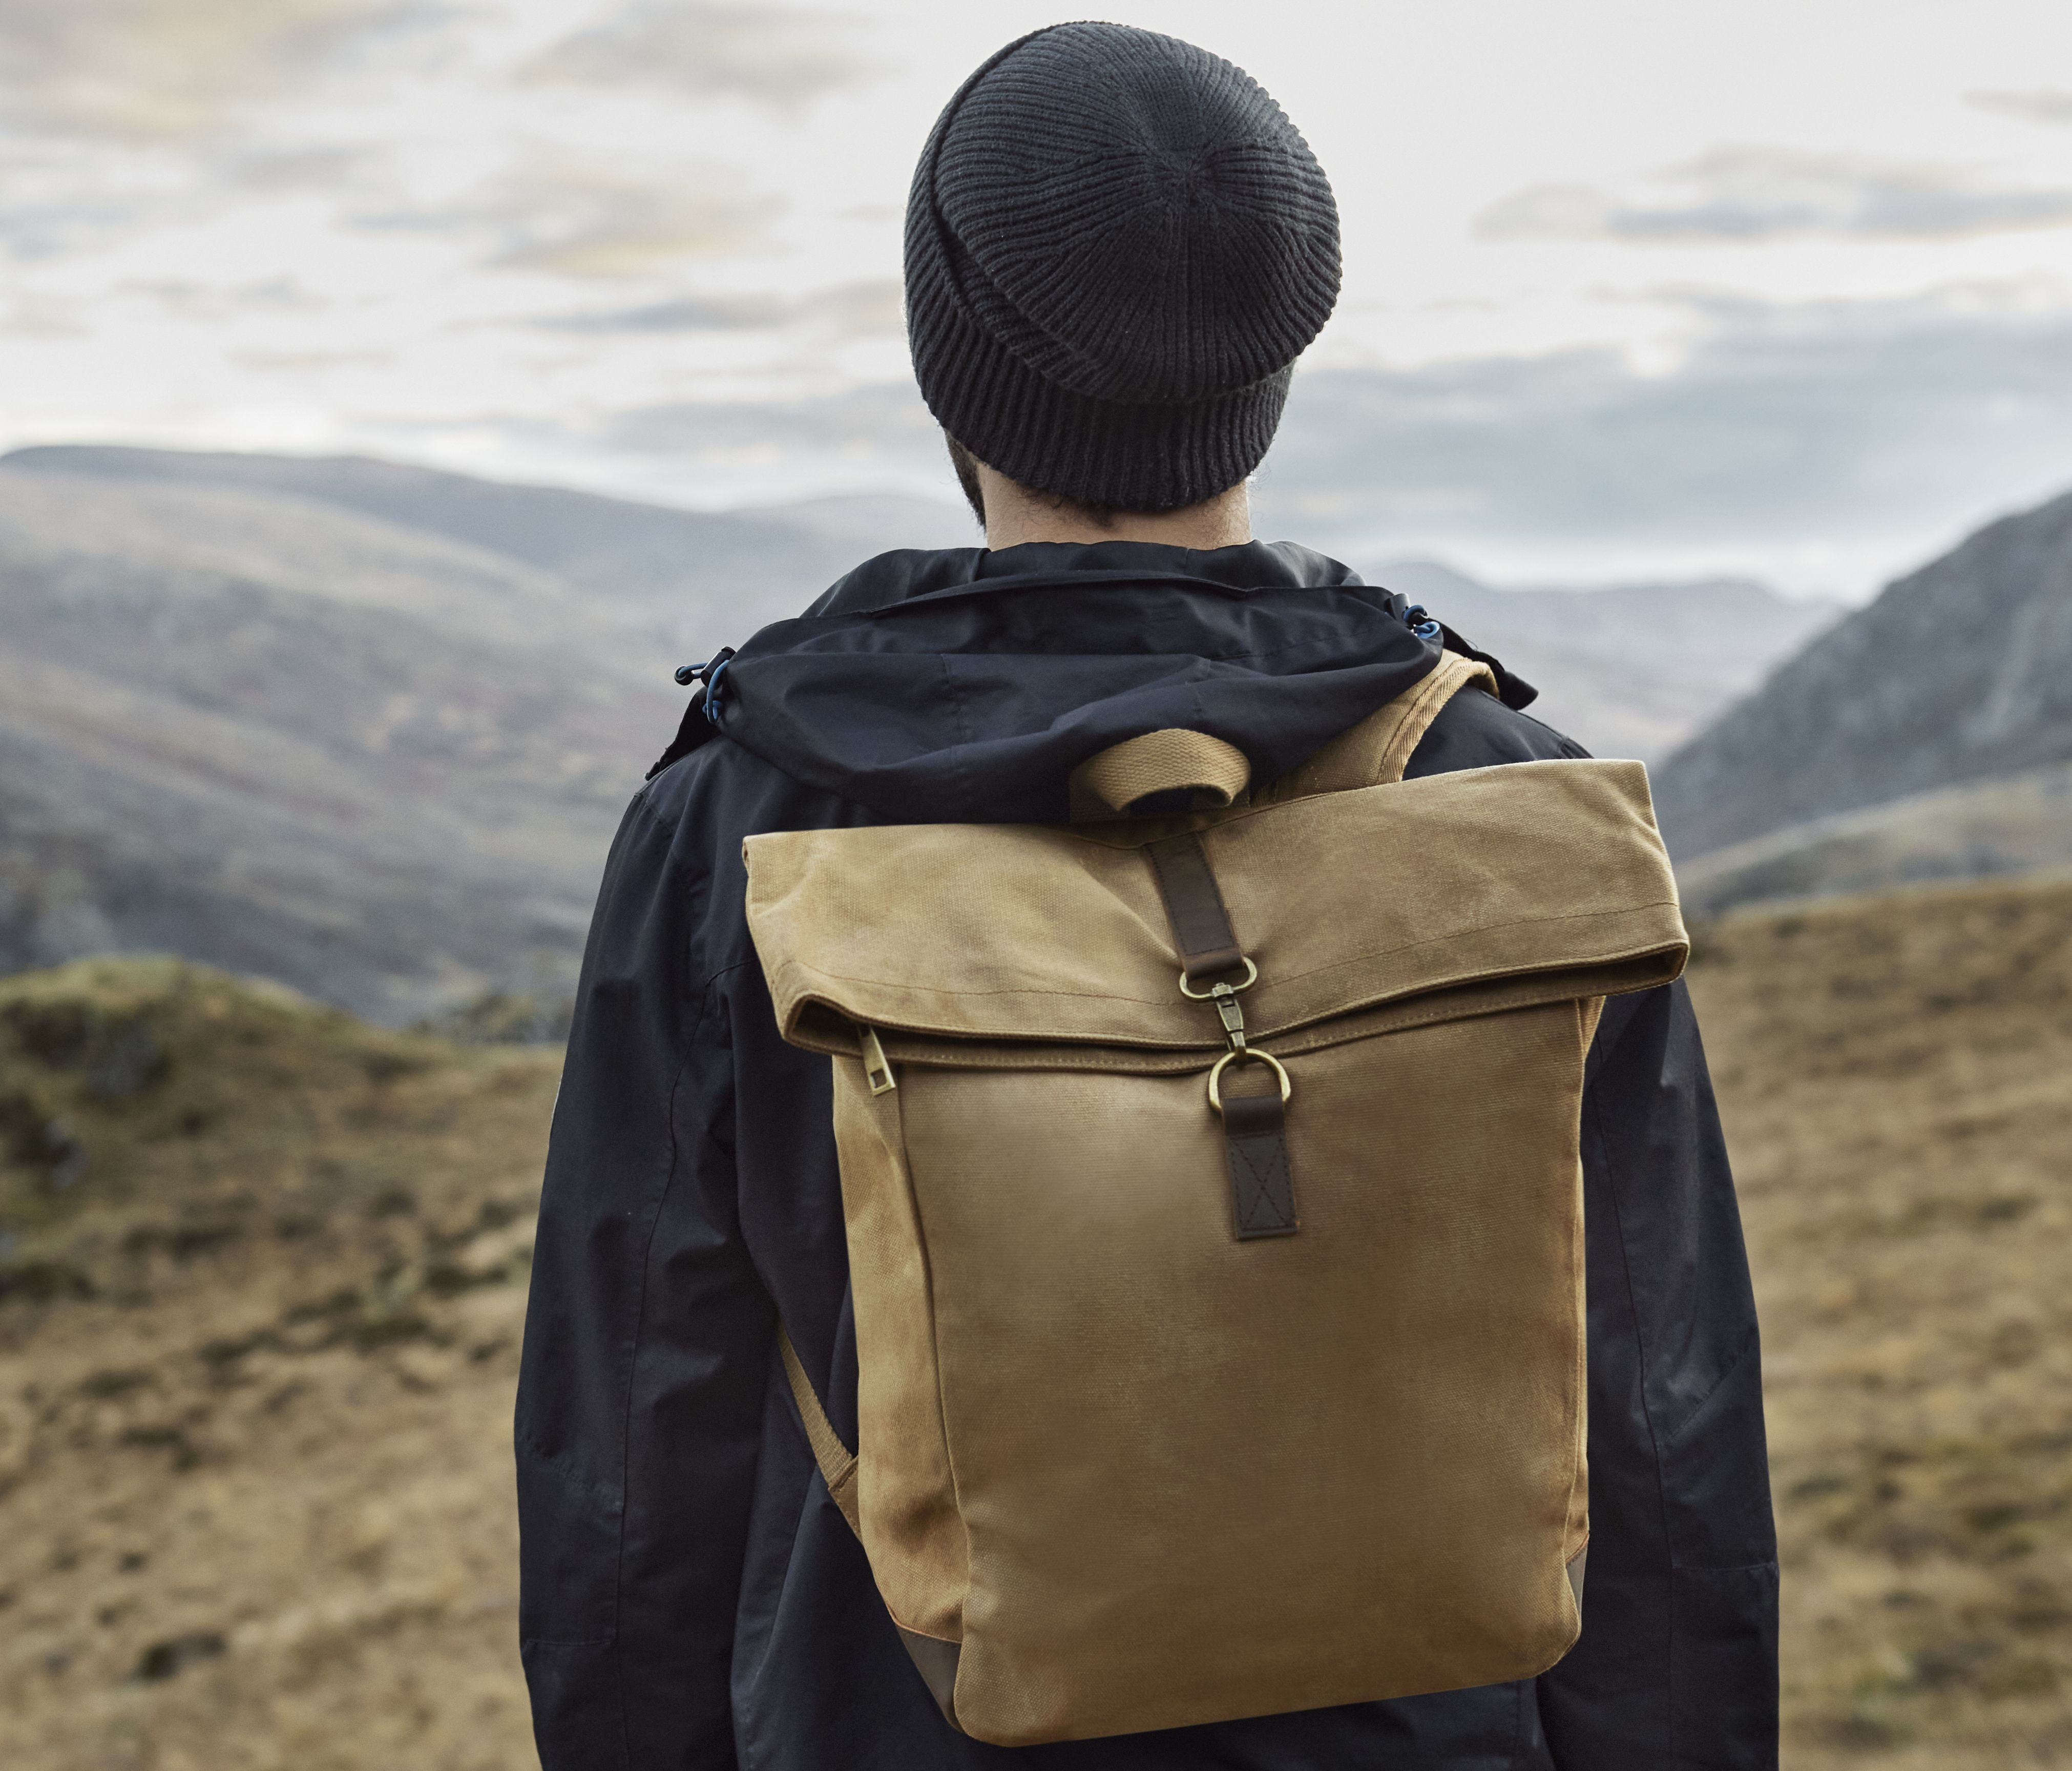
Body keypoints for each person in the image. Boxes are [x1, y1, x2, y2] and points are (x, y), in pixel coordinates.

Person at [514, 22, 1778, 1769]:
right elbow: (1664, 1421)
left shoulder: (743, 818)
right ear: (1270, 360)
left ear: (947, 366)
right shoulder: (1511, 800)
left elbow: (633, 1458)